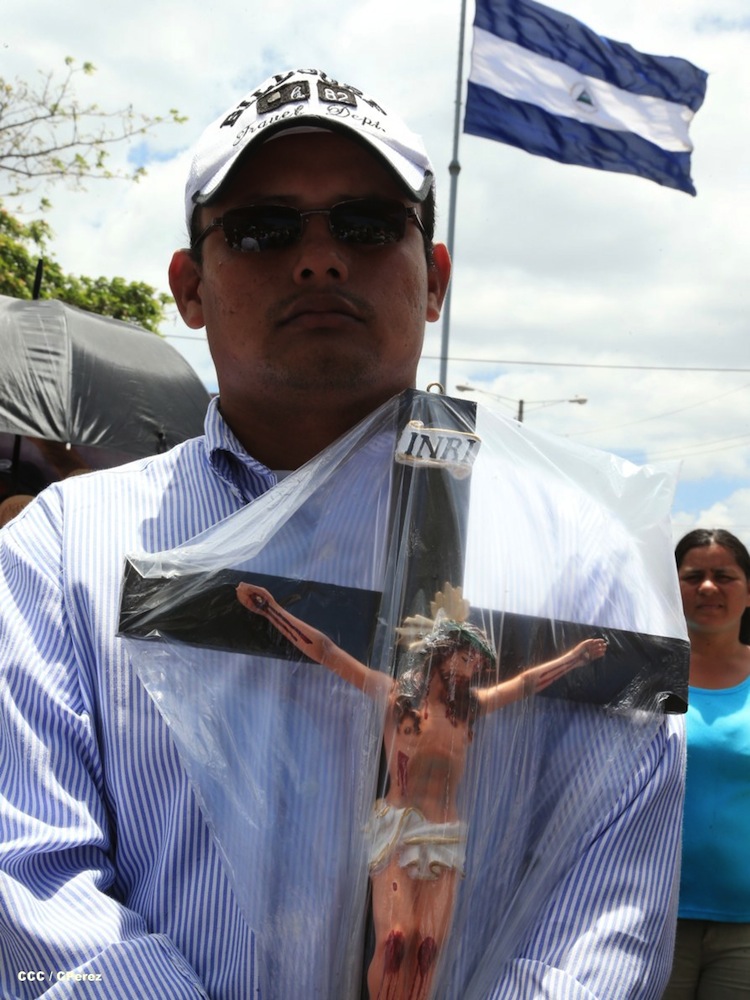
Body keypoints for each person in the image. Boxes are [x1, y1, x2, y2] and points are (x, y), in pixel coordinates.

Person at [0, 67, 685, 1000]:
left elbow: (606, 910)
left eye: (365, 226)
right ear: (190, 285)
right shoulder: (63, 553)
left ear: (433, 277)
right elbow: (31, 876)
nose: (319, 259)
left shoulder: (579, 558)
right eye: (263, 230)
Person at [236, 581, 608, 999]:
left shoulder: (470, 709)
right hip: (397, 829)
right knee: (397, 939)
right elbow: (327, 652)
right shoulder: (396, 698)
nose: (474, 667)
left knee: (428, 949)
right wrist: (270, 609)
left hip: (445, 834)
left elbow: (523, 685)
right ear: (442, 654)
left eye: (475, 661)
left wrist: (575, 658)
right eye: (466, 657)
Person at [662, 528, 750, 999]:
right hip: (653, 914)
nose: (708, 587)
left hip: (745, 929)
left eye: (725, 576)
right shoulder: (643, 675)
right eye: (693, 576)